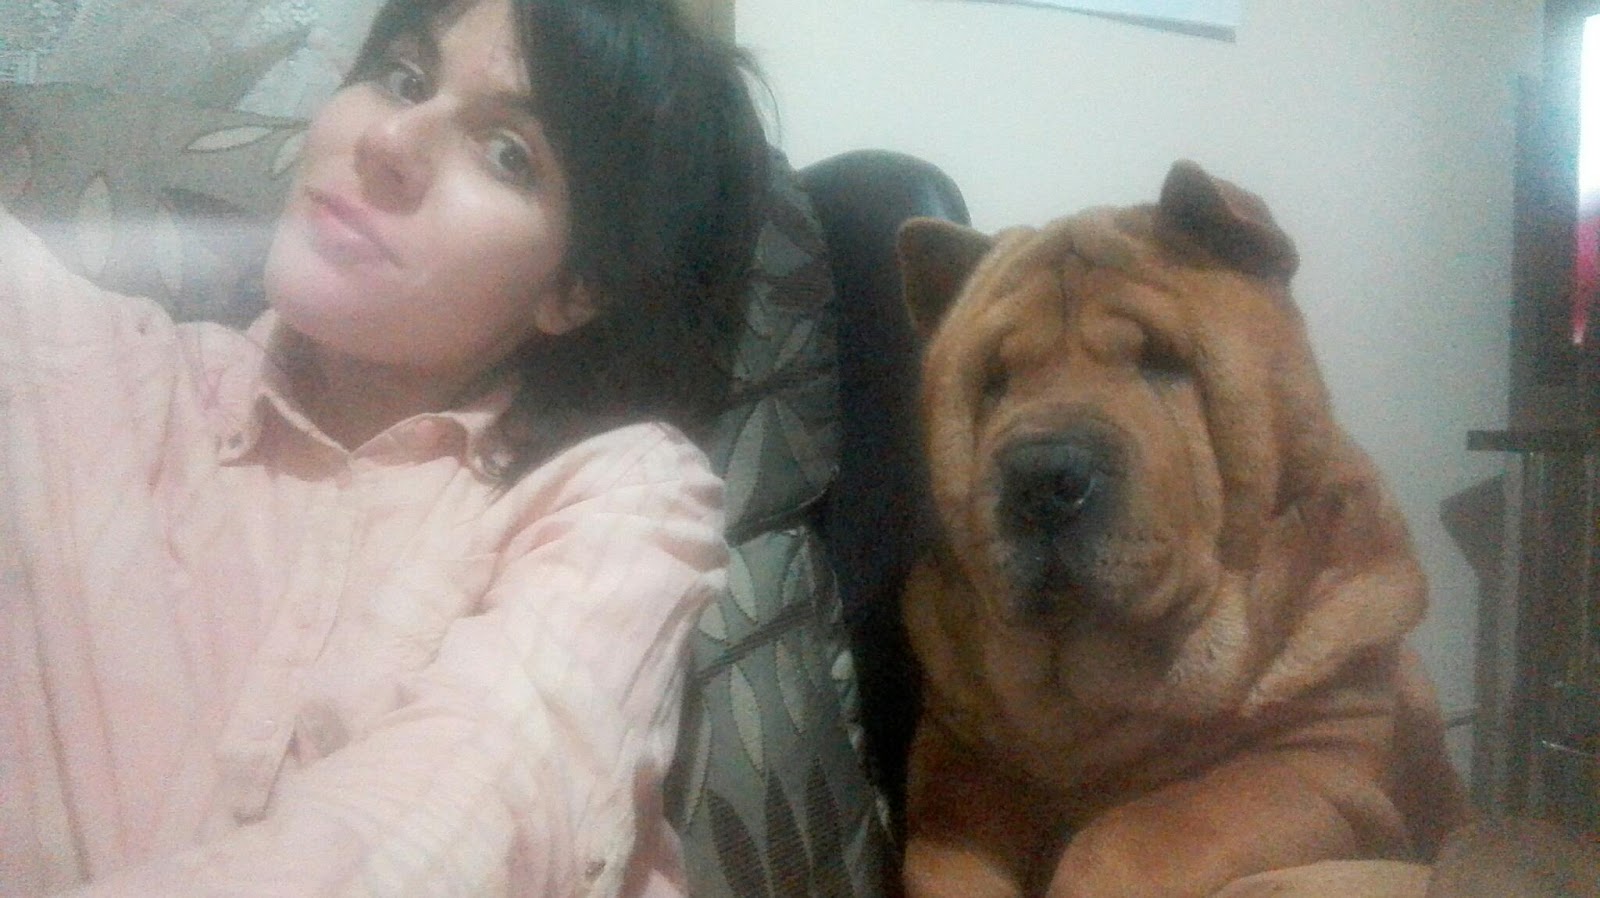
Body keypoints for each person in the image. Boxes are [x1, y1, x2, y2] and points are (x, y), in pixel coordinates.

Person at [0, 0, 769, 894]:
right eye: (403, 78)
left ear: (575, 291)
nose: (389, 141)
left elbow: (482, 804)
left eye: (507, 152)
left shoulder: (616, 492)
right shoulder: (90, 364)